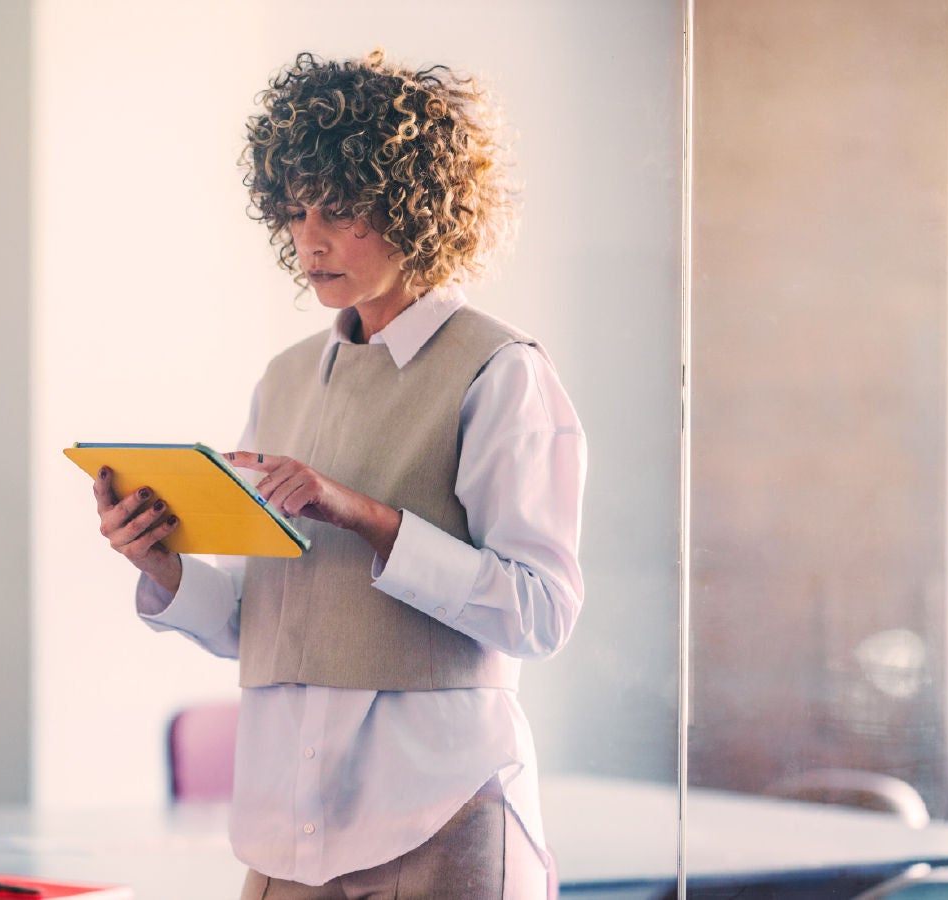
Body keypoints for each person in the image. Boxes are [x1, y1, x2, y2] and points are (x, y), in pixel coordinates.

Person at [92, 49, 586, 900]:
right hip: (290, 830)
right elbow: (269, 625)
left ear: (417, 208)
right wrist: (164, 569)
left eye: (342, 211)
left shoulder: (500, 372)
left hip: (445, 815)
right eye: (294, 212)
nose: (310, 240)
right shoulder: (283, 380)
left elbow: (541, 616)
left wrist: (368, 517)